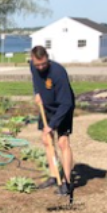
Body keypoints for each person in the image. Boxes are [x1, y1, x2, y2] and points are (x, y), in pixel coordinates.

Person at [29, 45, 75, 196]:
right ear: (32, 60)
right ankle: (54, 176)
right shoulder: (33, 66)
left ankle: (67, 183)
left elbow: (66, 102)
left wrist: (53, 124)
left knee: (63, 143)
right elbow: (36, 80)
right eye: (38, 64)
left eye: (44, 64)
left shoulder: (58, 72)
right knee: (47, 141)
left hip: (63, 108)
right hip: (46, 107)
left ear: (48, 58)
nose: (41, 67)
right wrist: (37, 92)